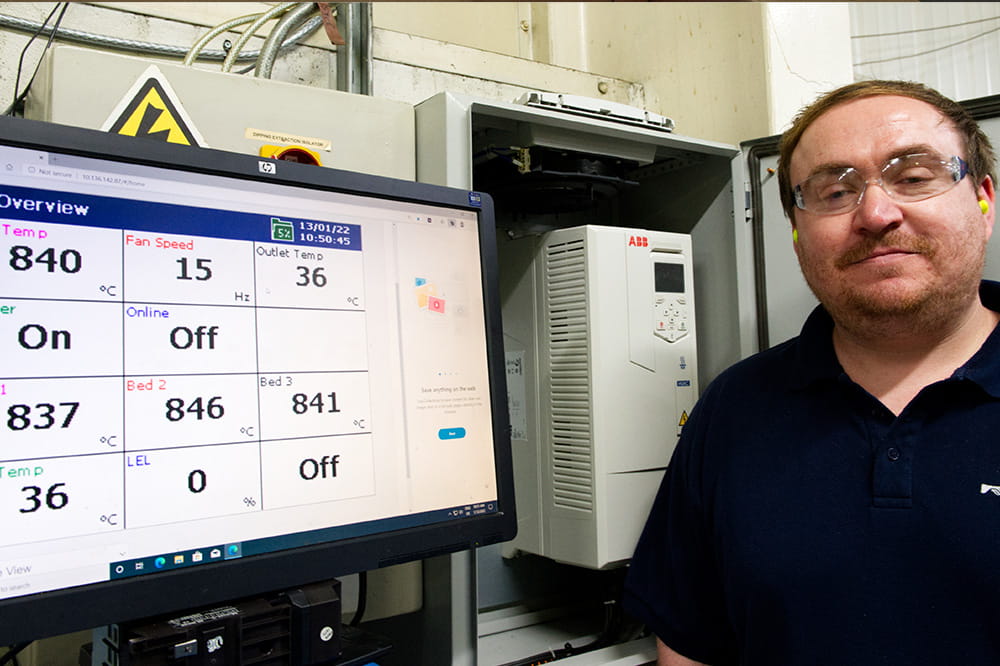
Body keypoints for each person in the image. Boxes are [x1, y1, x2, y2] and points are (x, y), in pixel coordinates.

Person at [623, 79, 998, 665]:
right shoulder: (735, 407)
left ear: (984, 199)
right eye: (834, 191)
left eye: (914, 177)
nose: (875, 213)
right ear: (798, 237)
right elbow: (690, 641)